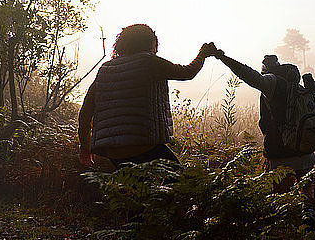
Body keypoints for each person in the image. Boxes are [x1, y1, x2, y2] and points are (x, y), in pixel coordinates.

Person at [78, 24, 216, 169]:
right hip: (143, 146)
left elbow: (85, 113)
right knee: (180, 183)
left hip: (112, 152)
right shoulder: (149, 62)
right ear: (150, 43)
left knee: (137, 188)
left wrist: (85, 148)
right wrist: (203, 53)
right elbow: (187, 72)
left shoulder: (105, 69)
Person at [210, 46, 315, 192]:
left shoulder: (272, 81)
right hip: (307, 156)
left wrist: (223, 57)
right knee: (306, 202)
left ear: (266, 70)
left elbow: (248, 75)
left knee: (281, 202)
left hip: (283, 156)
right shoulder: (298, 86)